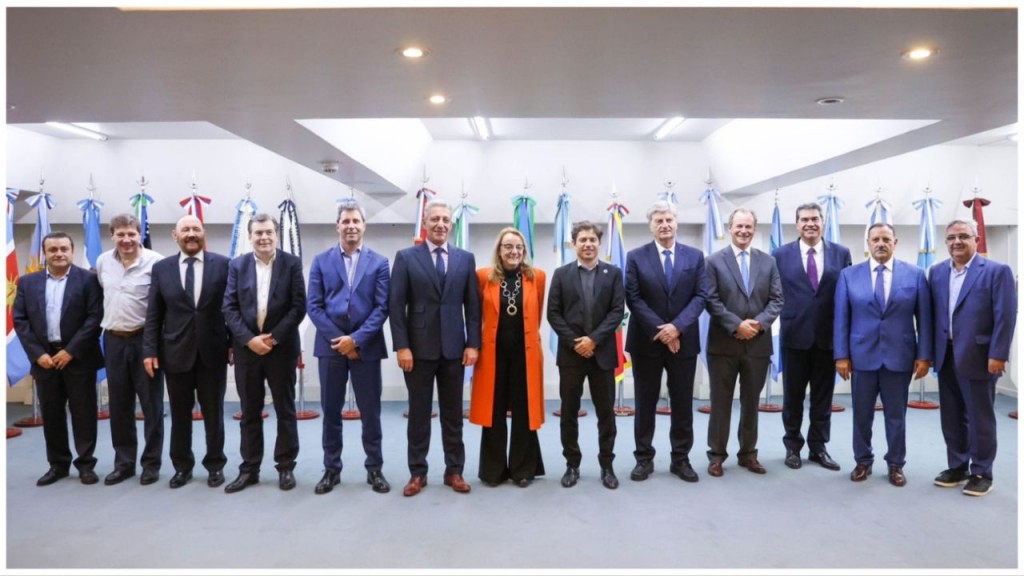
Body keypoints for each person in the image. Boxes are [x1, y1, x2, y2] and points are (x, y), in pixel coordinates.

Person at [389, 199, 481, 497]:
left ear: (451, 225)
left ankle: (454, 471)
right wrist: (402, 346)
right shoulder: (406, 258)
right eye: (435, 219)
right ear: (425, 223)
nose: (441, 224)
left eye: (445, 220)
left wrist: (473, 344)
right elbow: (396, 306)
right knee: (419, 415)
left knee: (453, 415)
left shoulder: (465, 259)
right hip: (417, 351)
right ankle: (418, 472)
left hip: (455, 351)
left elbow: (473, 307)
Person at [835, 222, 932, 487]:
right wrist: (841, 355)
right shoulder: (848, 275)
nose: (881, 244)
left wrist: (924, 356)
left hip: (899, 357)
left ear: (895, 243)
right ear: (868, 243)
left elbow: (924, 319)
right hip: (861, 357)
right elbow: (841, 318)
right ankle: (862, 461)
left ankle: (896, 464)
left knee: (896, 416)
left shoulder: (915, 275)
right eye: (875, 239)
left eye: (886, 239)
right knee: (861, 415)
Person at [307, 199, 392, 495]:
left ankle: (375, 468)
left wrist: (355, 340)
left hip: (367, 348)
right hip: (330, 348)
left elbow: (382, 308)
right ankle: (331, 469)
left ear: (364, 226)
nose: (351, 226)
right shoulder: (321, 261)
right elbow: (314, 306)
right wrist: (341, 342)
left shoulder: (380, 263)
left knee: (371, 412)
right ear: (337, 226)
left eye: (356, 221)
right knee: (331, 412)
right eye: (346, 221)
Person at [929, 219, 1016, 497]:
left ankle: (981, 472)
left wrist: (998, 354)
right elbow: (933, 315)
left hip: (980, 356)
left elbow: (1005, 316)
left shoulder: (996, 271)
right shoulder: (937, 272)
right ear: (946, 242)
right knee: (951, 415)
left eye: (963, 236)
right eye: (951, 237)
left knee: (980, 417)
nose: (957, 242)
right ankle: (957, 466)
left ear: (975, 239)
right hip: (946, 354)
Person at [142, 215, 230, 489]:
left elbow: (231, 309)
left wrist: (232, 345)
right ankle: (182, 467)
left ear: (203, 232)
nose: (191, 234)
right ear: (175, 235)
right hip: (175, 352)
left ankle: (215, 465)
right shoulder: (161, 268)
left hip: (212, 353)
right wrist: (149, 350)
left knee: (214, 414)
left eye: (196, 229)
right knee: (179, 415)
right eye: (185, 229)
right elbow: (154, 314)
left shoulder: (224, 265)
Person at [222, 213, 307, 493]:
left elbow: (298, 306)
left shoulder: (292, 263)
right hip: (247, 351)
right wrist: (249, 340)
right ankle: (250, 469)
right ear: (250, 236)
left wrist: (273, 338)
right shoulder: (237, 265)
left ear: (277, 234)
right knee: (249, 412)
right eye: (258, 233)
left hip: (281, 349)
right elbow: (229, 308)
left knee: (285, 410)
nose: (264, 237)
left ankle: (285, 467)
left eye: (269, 232)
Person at [625, 201, 707, 484]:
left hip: (684, 342)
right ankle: (643, 459)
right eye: (658, 220)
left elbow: (701, 296)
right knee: (645, 403)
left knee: (682, 404)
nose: (664, 225)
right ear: (651, 225)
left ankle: (680, 459)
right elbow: (633, 298)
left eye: (669, 220)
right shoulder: (636, 257)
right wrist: (663, 331)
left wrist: (677, 328)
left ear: (676, 222)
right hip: (646, 342)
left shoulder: (695, 256)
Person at [13, 232, 104, 486]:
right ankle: (58, 465)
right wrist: (38, 354)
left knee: (84, 413)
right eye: (53, 249)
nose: (59, 253)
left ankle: (86, 464)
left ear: (72, 251)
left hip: (79, 358)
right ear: (44, 253)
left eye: (64, 248)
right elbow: (20, 320)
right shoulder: (27, 282)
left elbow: (95, 317)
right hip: (45, 360)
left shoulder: (89, 280)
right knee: (51, 415)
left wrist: (71, 350)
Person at [705, 207, 784, 477]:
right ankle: (717, 455)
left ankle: (748, 454)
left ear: (754, 229)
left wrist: (757, 324)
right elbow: (711, 300)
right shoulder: (713, 261)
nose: (743, 231)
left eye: (748, 226)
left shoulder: (768, 262)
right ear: (730, 228)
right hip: (723, 345)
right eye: (738, 226)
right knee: (721, 402)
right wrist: (736, 325)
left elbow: (777, 299)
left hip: (757, 345)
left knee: (751, 403)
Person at [772, 202, 851, 471]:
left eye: (815, 219)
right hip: (794, 337)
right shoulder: (780, 255)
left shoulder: (841, 253)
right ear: (797, 224)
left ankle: (818, 448)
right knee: (792, 398)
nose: (810, 224)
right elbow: (773, 294)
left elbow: (847, 295)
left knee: (822, 399)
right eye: (804, 219)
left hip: (828, 339)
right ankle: (792, 447)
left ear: (822, 222)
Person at [548, 221, 624, 489]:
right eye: (583, 240)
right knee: (569, 412)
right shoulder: (561, 274)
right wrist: (576, 342)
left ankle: (607, 465)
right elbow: (553, 313)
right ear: (574, 244)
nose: (588, 244)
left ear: (599, 244)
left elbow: (617, 311)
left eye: (592, 240)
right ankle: (572, 464)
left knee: (606, 414)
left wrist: (593, 340)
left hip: (603, 355)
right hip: (571, 356)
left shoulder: (613, 274)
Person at [468, 228, 546, 487]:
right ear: (499, 251)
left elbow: (536, 316)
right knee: (493, 411)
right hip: (493, 356)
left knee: (524, 411)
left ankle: (523, 470)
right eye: (508, 247)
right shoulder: (483, 276)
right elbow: (475, 315)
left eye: (518, 247)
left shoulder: (538, 277)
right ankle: (493, 471)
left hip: (525, 356)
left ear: (524, 251)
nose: (514, 252)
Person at [95, 213, 165, 486]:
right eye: (120, 234)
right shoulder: (103, 261)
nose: (126, 239)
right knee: (119, 405)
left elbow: (162, 306)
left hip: (145, 340)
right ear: (112, 236)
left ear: (139, 234)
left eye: (131, 234)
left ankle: (151, 464)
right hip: (113, 340)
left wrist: (153, 346)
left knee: (151, 405)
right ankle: (124, 463)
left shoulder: (156, 262)